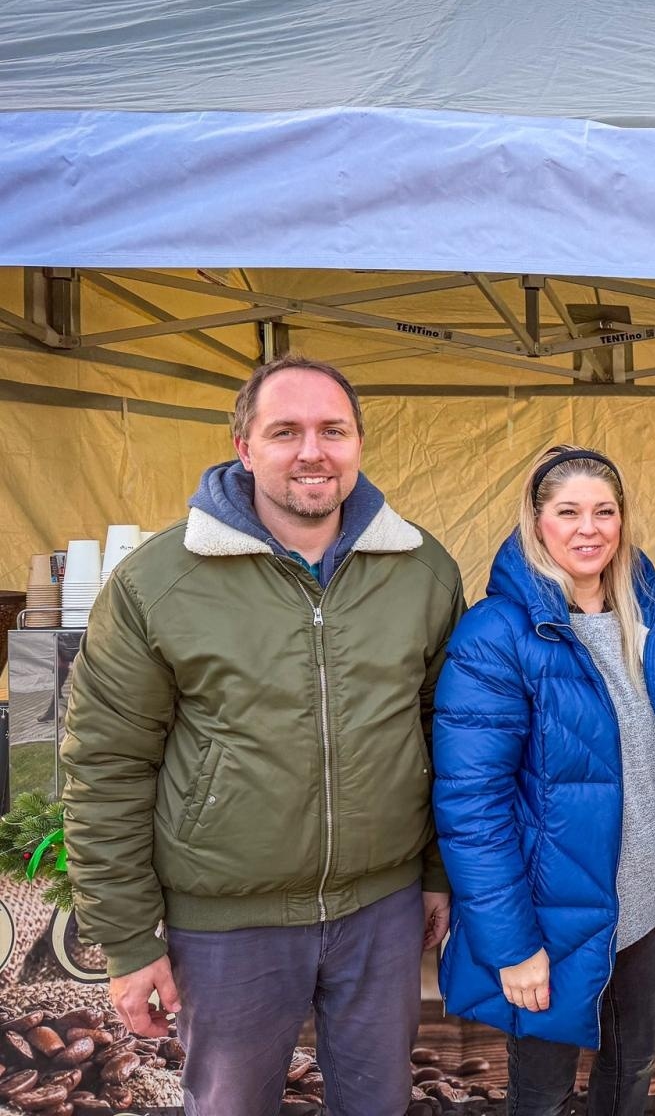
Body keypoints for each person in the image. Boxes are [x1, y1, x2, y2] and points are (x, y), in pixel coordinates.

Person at [61, 355, 465, 1116]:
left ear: (358, 443)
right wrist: (128, 942)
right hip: (228, 924)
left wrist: (437, 871)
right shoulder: (157, 582)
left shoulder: (422, 570)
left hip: (381, 911)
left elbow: (446, 736)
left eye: (333, 431)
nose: (313, 451)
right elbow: (107, 767)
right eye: (286, 432)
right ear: (244, 448)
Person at [431, 445, 655, 1116]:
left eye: (604, 511)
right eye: (567, 512)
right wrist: (513, 945)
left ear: (623, 520)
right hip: (549, 920)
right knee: (541, 1093)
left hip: (649, 910)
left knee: (631, 1075)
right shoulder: (496, 634)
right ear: (536, 521)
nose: (588, 529)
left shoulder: (649, 617)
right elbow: (472, 807)